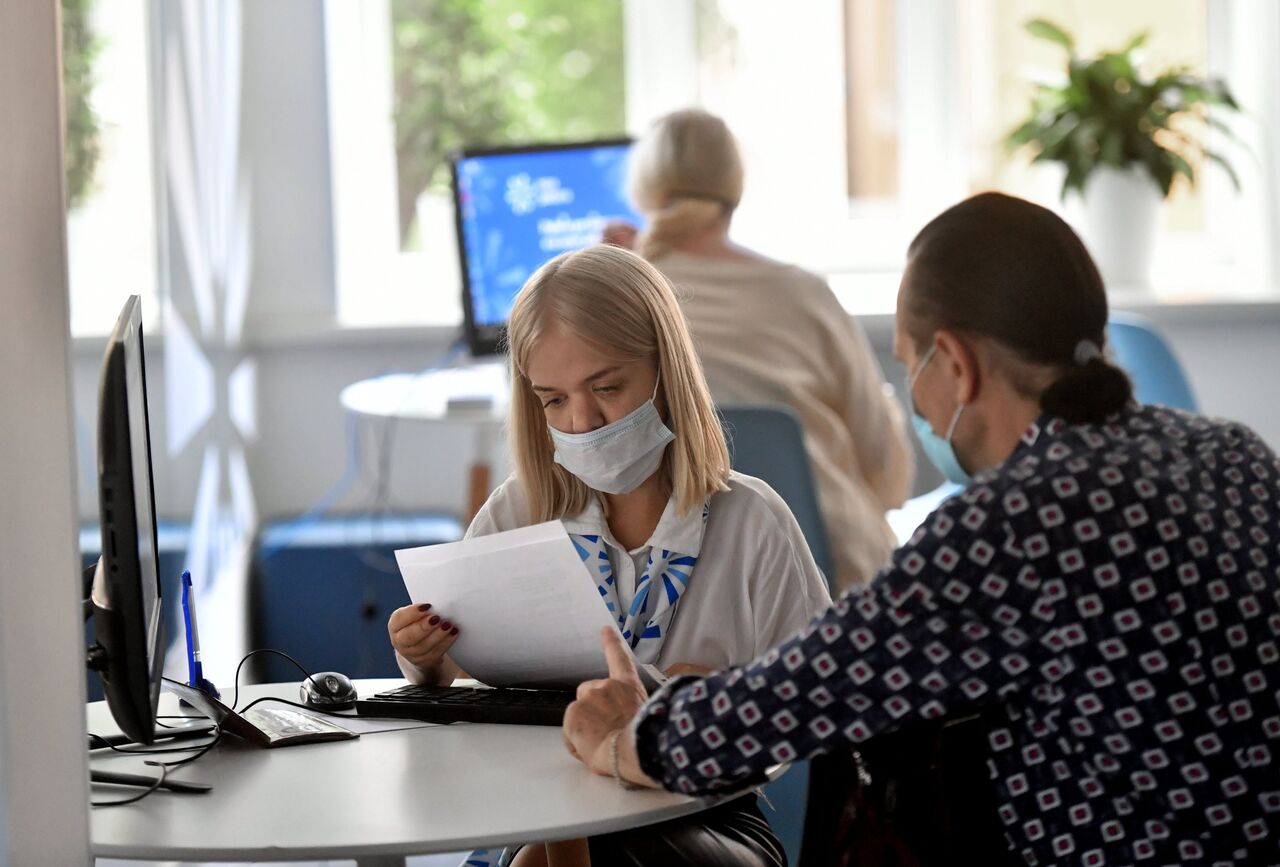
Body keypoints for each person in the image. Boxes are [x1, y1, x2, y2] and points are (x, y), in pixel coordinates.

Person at [564, 192, 1280, 865]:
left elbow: (802, 693)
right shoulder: (1232, 453)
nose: (921, 407)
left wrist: (633, 735)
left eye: (910, 366)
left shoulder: (1011, 525)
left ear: (957, 364)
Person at [387, 243, 832, 867]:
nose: (585, 420)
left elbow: (814, 707)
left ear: (665, 370)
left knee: (595, 837)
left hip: (701, 814)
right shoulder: (518, 513)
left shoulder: (752, 522)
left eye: (607, 387)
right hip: (542, 807)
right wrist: (428, 662)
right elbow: (469, 679)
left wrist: (696, 714)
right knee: (561, 827)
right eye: (554, 400)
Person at [604, 108, 915, 593]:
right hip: (838, 580)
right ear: (734, 187)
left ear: (645, 190)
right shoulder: (805, 295)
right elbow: (887, 473)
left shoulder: (619, 296)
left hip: (671, 594)